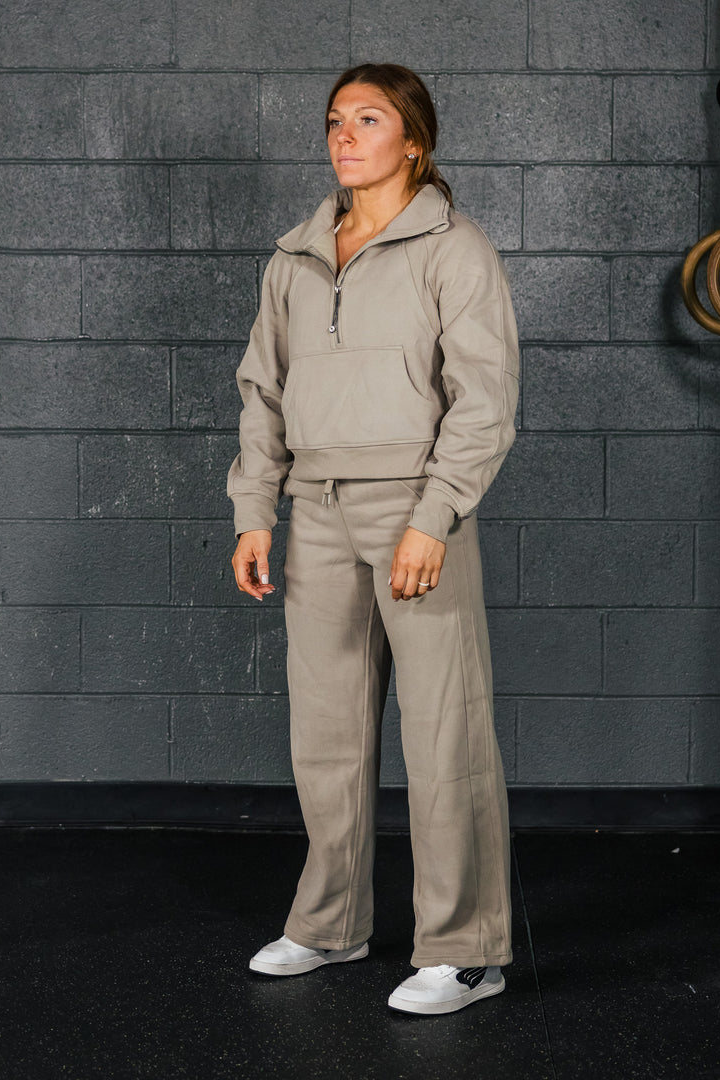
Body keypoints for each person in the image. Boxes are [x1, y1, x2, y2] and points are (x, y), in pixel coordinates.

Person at [227, 63, 518, 1016]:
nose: (343, 135)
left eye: (367, 119)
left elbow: (483, 403)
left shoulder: (453, 248)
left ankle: (466, 950)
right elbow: (262, 393)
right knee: (327, 735)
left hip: (412, 506)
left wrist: (433, 515)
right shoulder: (297, 256)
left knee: (444, 735)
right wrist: (254, 511)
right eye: (333, 121)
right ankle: (331, 926)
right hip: (313, 510)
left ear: (414, 141)